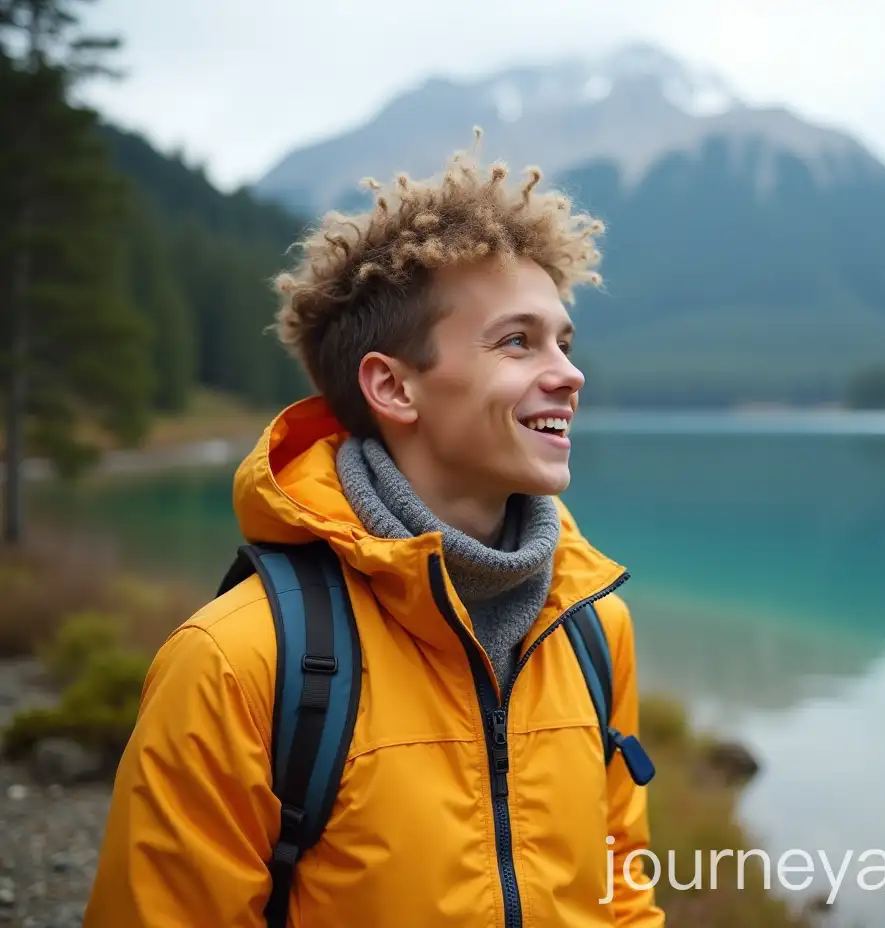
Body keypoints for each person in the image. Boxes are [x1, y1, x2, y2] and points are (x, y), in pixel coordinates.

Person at [83, 135, 665, 927]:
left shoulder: (596, 629)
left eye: (564, 340)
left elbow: (620, 895)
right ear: (393, 386)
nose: (569, 372)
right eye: (518, 341)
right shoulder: (235, 663)